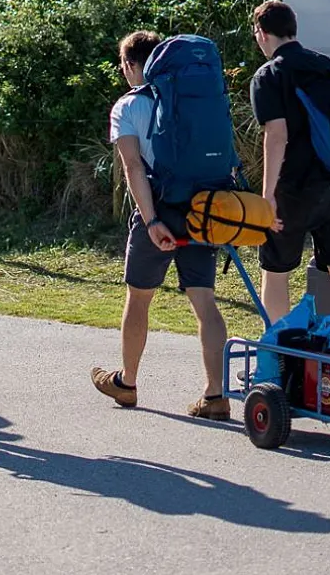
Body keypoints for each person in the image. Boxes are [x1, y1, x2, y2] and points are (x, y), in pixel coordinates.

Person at [90, 31, 231, 420]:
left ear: (132, 65)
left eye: (124, 66)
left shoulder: (128, 106)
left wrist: (151, 220)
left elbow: (133, 166)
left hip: (160, 207)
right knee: (204, 301)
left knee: (139, 297)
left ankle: (127, 382)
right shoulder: (194, 101)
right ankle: (216, 394)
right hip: (204, 207)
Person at [248, 0, 330, 331]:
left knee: (276, 273)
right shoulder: (327, 65)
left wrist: (268, 196)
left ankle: (279, 357)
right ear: (293, 29)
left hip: (296, 190)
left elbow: (276, 136)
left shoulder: (269, 75)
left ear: (261, 33)